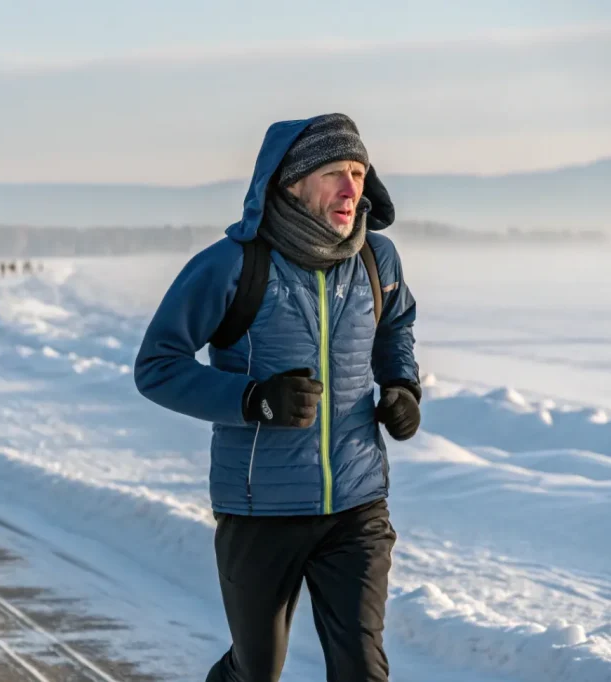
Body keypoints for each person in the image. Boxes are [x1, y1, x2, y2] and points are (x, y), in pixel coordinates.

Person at [133, 114, 421, 682]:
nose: (351, 189)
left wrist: (402, 385)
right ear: (291, 183)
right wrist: (253, 401)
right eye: (333, 173)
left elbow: (395, 327)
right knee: (256, 670)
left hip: (357, 502)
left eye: (358, 172)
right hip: (260, 507)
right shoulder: (233, 265)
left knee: (362, 669)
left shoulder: (376, 258)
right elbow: (157, 366)